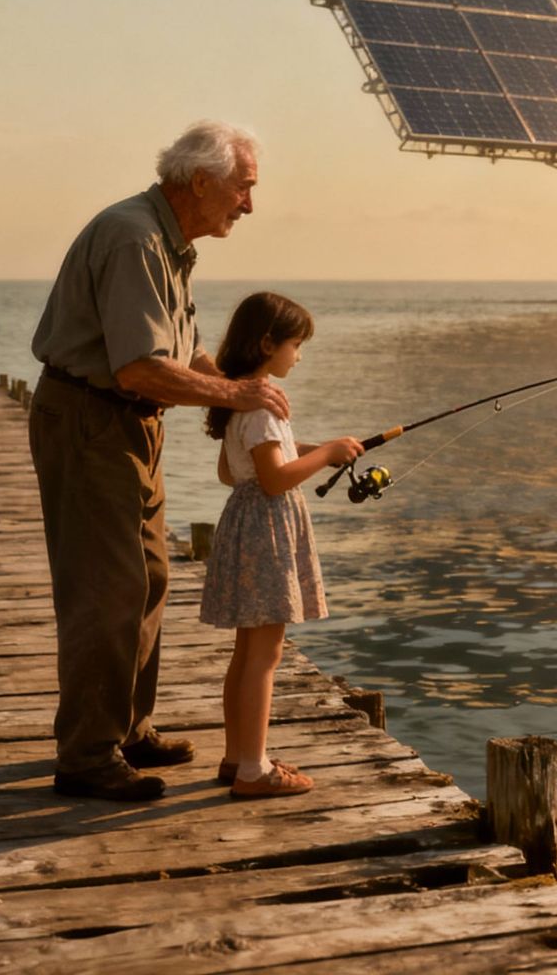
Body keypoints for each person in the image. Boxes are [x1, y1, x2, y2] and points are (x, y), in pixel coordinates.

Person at [29, 120, 289, 801]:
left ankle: (126, 729)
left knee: (147, 579)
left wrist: (241, 400)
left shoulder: (169, 244)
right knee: (106, 590)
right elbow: (141, 367)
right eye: (245, 188)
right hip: (92, 422)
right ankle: (87, 755)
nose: (249, 205)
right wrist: (233, 392)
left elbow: (185, 355)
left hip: (128, 426)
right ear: (201, 181)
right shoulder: (135, 238)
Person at [199, 291, 363, 798]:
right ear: (267, 343)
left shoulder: (239, 399)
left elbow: (234, 470)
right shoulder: (264, 406)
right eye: (296, 344)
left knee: (246, 652)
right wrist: (328, 451)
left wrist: (318, 451)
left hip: (244, 527)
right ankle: (254, 771)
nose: (300, 354)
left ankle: (238, 757)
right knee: (265, 656)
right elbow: (273, 480)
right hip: (267, 532)